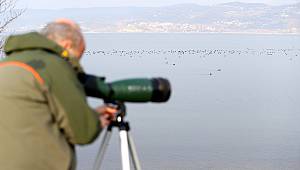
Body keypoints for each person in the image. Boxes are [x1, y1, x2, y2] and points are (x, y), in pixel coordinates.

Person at [0, 19, 116, 170]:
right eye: (77, 57)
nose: (75, 65)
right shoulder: (53, 65)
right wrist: (98, 121)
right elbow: (83, 132)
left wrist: (92, 114)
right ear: (67, 45)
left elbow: (33, 117)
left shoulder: (7, 64)